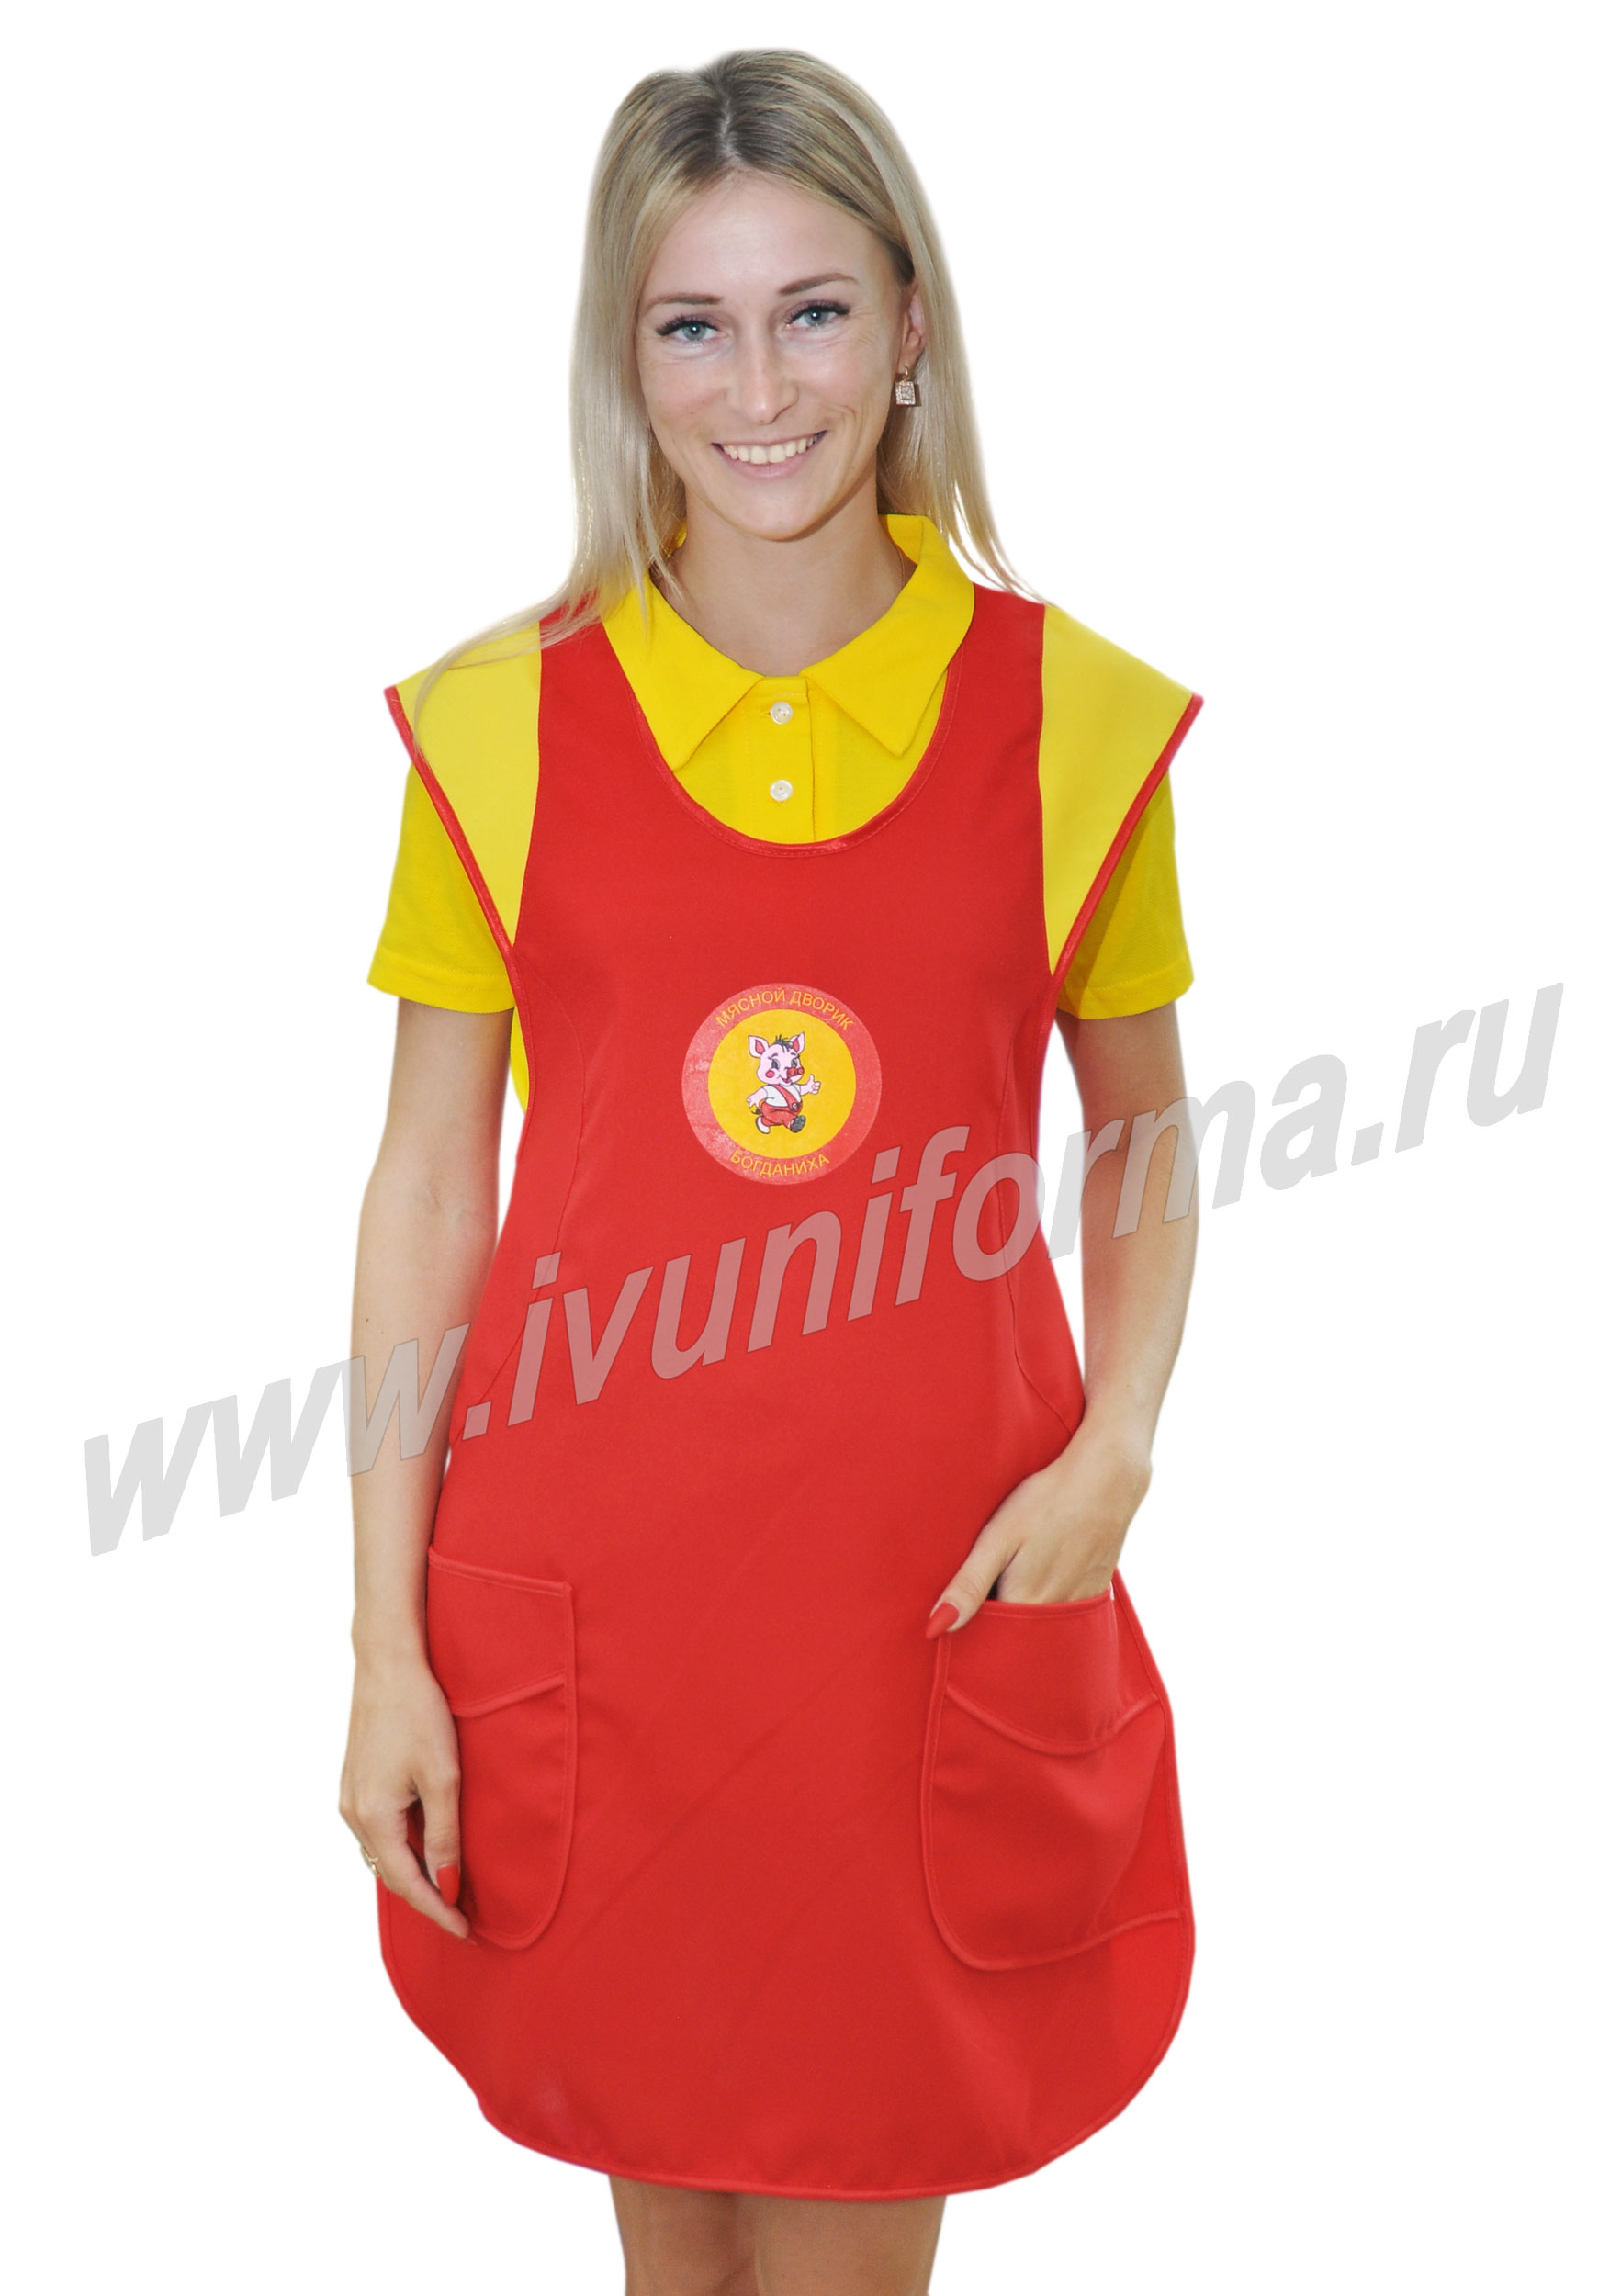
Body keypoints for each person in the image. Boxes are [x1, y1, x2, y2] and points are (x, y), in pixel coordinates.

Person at [341, 49, 1200, 2296]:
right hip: (596, 1617)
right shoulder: (493, 728)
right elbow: (428, 1188)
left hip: (917, 1607)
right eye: (691, 325)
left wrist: (1116, 1442)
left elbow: (1141, 1130)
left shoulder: (1075, 721)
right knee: (674, 2252)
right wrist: (382, 1640)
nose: (758, 387)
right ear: (622, 360)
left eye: (812, 311)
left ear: (909, 323)